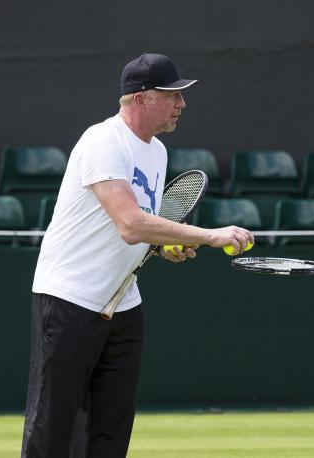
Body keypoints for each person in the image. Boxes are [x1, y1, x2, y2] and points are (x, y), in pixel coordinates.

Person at [22, 53, 254, 457]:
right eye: (173, 96)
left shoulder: (158, 152)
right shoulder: (101, 141)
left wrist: (167, 246)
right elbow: (130, 223)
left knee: (111, 429)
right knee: (53, 428)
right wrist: (209, 235)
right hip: (70, 300)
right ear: (142, 98)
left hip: (124, 305)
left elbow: (142, 229)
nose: (182, 105)